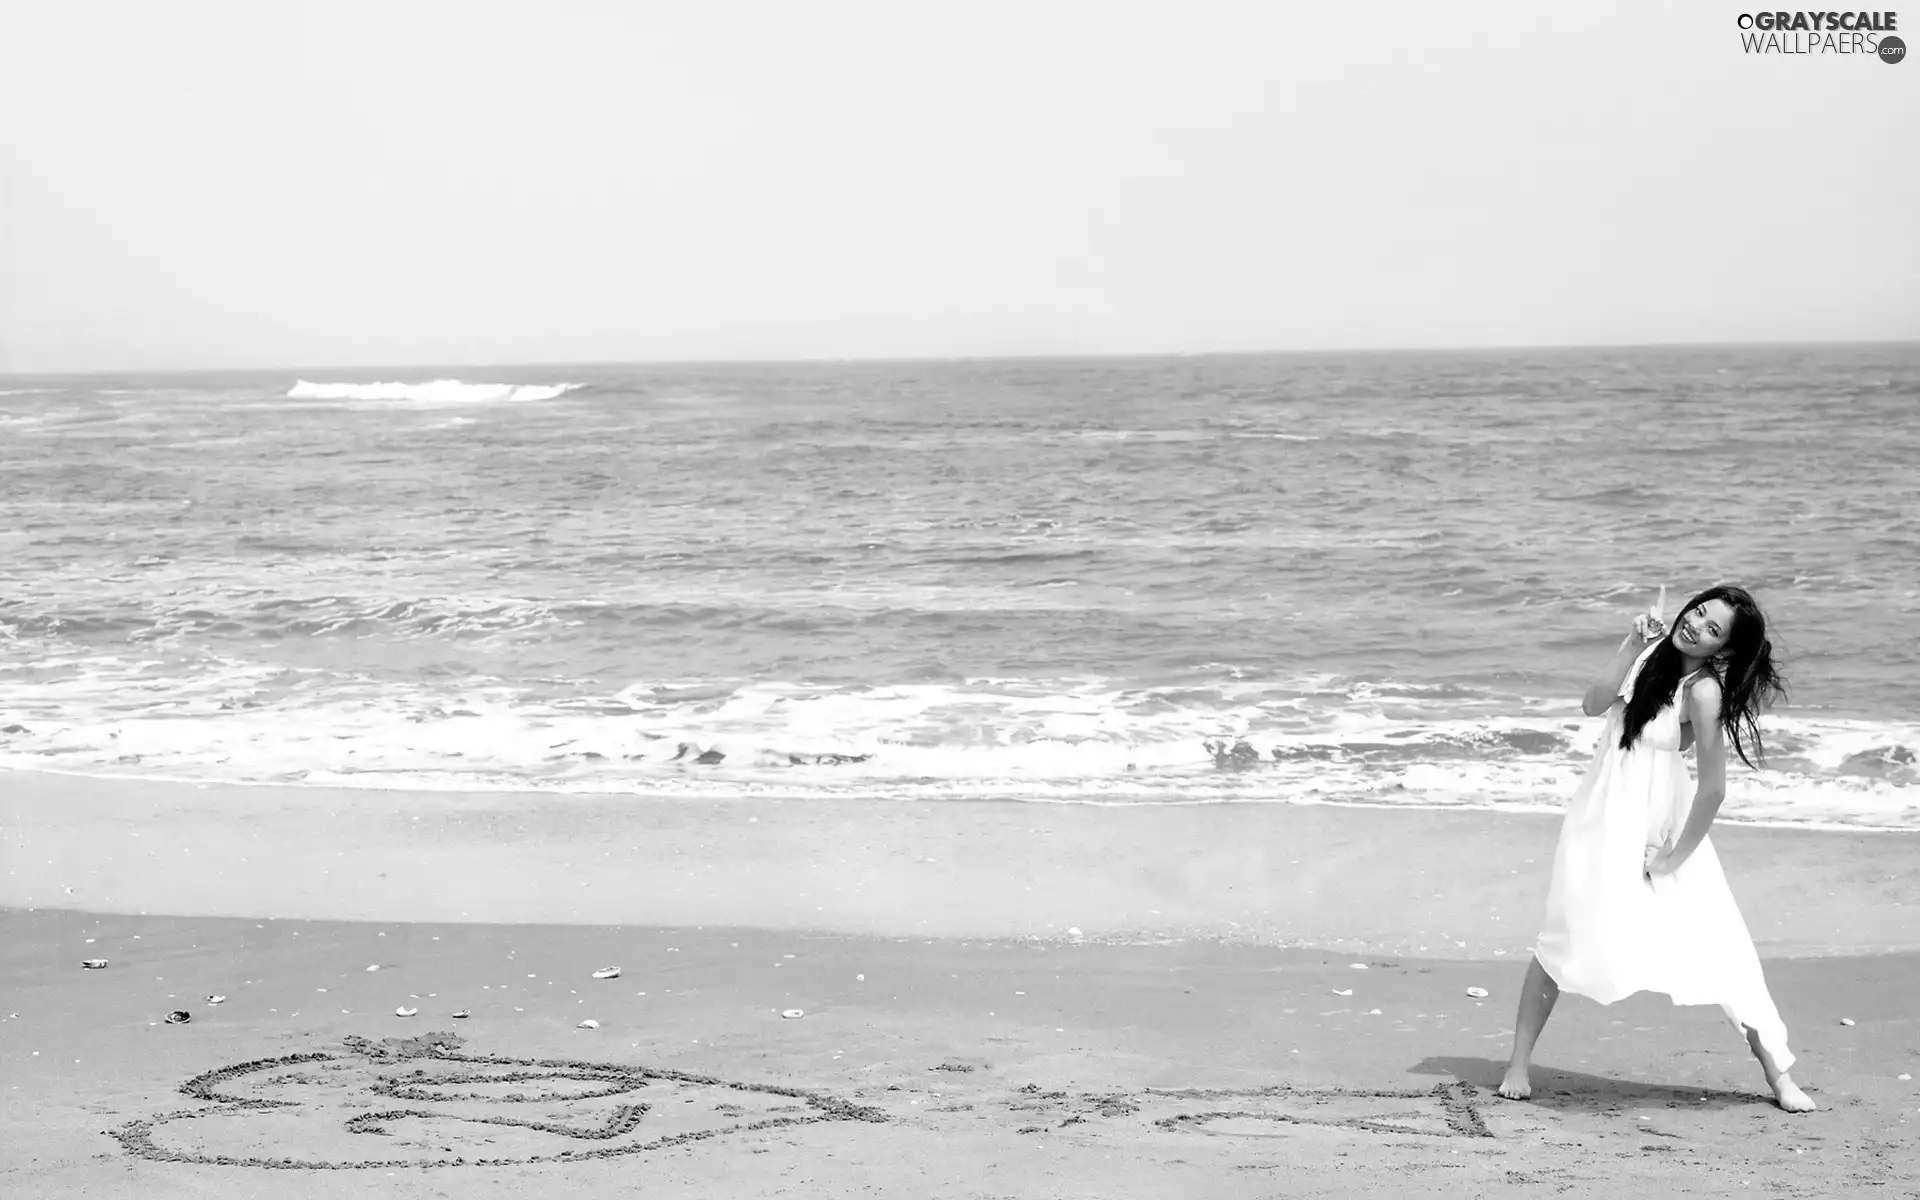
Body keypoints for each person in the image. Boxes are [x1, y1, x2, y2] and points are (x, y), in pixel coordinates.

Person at [1497, 584, 1812, 1112]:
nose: (1696, 625)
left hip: (1656, 827)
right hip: (1598, 817)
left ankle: (1779, 1077)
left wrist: (1672, 857)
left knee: (1719, 943)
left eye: (1714, 629)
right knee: (1563, 930)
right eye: (1698, 612)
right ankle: (1518, 1064)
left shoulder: (1703, 692)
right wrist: (1629, 642)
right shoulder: (1648, 653)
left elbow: (1713, 788)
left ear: (1724, 650)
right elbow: (1594, 703)